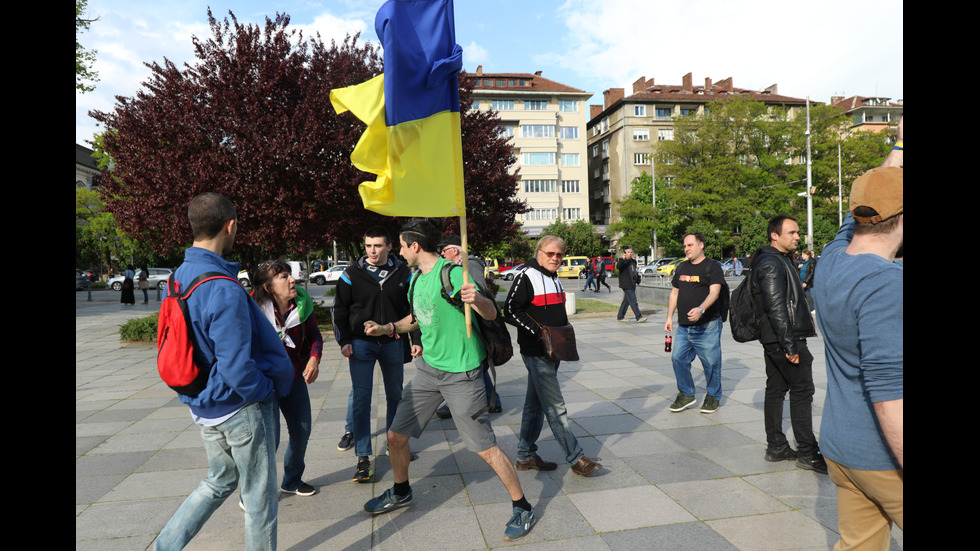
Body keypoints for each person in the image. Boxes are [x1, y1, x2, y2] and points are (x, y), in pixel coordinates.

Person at [362, 218, 535, 542]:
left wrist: (478, 299)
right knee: (396, 437)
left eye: (400, 245)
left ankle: (522, 505)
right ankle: (401, 491)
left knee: (483, 447)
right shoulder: (417, 279)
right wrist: (387, 329)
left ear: (415, 246)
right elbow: (417, 318)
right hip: (429, 372)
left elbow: (491, 313)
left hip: (463, 375)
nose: (398, 251)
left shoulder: (453, 274)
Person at [153, 192, 293, 551]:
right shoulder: (222, 286)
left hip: (203, 401)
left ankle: (164, 546)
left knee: (219, 480)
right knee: (260, 498)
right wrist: (264, 391)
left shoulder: (178, 277)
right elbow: (237, 366)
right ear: (230, 226)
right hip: (238, 405)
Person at [814, 155, 903, 549]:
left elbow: (856, 217)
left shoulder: (831, 261)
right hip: (883, 455)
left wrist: (899, 146)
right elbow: (888, 395)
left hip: (842, 447)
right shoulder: (886, 284)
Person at [504, 235, 602, 476]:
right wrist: (539, 332)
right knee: (555, 407)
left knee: (534, 405)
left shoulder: (553, 276)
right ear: (539, 252)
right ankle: (576, 458)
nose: (555, 258)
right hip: (537, 352)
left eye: (559, 254)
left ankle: (525, 455)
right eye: (550, 253)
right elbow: (509, 310)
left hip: (553, 350)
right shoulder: (527, 275)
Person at [332, 226, 415, 483]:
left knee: (395, 395)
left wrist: (417, 339)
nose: (372, 251)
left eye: (378, 246)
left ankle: (395, 444)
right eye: (368, 246)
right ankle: (363, 456)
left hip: (392, 340)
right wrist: (344, 340)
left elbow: (414, 309)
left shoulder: (403, 272)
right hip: (360, 343)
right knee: (361, 398)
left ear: (389, 246)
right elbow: (339, 310)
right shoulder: (351, 274)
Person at [751, 215, 827, 474]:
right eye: (792, 232)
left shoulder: (777, 259)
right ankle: (807, 451)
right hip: (785, 337)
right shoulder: (772, 262)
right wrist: (790, 345)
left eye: (798, 232)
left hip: (775, 337)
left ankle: (776, 447)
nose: (797, 237)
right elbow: (776, 307)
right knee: (803, 391)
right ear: (775, 235)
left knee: (775, 389)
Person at [251, 259, 322, 498]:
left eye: (290, 274)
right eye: (283, 277)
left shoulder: (302, 305)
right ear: (268, 287)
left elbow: (315, 336)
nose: (292, 280)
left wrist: (313, 359)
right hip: (265, 384)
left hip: (293, 378)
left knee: (302, 430)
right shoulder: (253, 310)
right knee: (270, 440)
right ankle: (254, 493)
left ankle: (292, 480)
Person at [433, 235, 502, 417]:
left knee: (476, 364)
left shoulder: (468, 265)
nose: (441, 254)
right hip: (469, 319)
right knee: (478, 365)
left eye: (444, 250)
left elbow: (479, 290)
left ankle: (486, 401)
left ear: (455, 250)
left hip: (479, 320)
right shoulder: (459, 266)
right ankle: (491, 400)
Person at [664, 233, 725, 414]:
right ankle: (686, 394)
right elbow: (674, 293)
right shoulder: (682, 267)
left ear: (701, 245)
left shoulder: (712, 267)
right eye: (685, 246)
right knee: (677, 359)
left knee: (711, 363)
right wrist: (669, 317)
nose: (687, 249)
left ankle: (713, 396)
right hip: (684, 327)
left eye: (690, 245)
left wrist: (701, 309)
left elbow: (714, 293)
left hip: (707, 326)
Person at [616, 247, 646, 322]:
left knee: (626, 301)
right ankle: (638, 317)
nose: (630, 253)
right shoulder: (623, 261)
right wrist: (624, 259)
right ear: (625, 253)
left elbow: (634, 271)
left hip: (632, 283)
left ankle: (620, 316)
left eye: (631, 252)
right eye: (628, 252)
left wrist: (637, 279)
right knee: (633, 300)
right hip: (626, 284)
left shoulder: (633, 261)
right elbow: (618, 267)